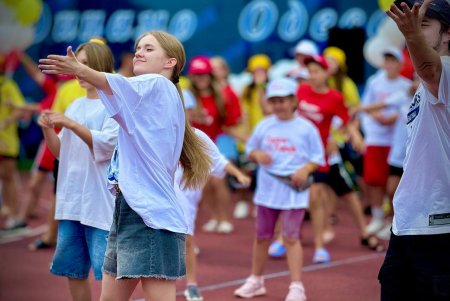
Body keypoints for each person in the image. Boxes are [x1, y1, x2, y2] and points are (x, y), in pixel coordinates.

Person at [39, 30, 212, 301]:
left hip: (150, 217)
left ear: (171, 62)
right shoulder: (143, 98)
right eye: (138, 47)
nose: (139, 52)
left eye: (149, 48)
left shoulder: (158, 84)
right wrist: (84, 73)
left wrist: (81, 68)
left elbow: (112, 83)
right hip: (127, 210)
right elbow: (112, 90)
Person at [38, 40, 119, 301]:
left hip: (100, 206)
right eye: (77, 63)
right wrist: (48, 129)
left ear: (101, 66)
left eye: (84, 64)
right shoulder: (75, 105)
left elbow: (106, 147)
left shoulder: (114, 105)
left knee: (110, 276)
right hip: (72, 204)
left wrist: (70, 123)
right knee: (74, 272)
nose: (77, 70)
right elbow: (61, 152)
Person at [379, 0, 449, 300]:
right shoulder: (425, 83)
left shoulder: (444, 71)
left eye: (423, 25)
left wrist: (410, 36)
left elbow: (429, 67)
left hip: (437, 228)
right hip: (407, 223)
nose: (413, 30)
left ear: (447, 34)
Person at [234, 78, 324, 301]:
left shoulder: (306, 128)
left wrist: (305, 169)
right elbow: (250, 149)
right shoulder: (264, 125)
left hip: (294, 192)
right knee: (262, 237)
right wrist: (257, 155)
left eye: (282, 100)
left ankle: (296, 287)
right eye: (273, 101)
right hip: (267, 191)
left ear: (294, 100)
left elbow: (317, 158)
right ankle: (256, 280)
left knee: (291, 238)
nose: (278, 105)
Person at [359, 47, 411, 236]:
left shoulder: (406, 86)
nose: (389, 64)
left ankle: (392, 221)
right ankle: (377, 217)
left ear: (400, 64)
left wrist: (393, 118)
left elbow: (404, 110)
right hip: (376, 137)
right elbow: (368, 105)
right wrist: (376, 117)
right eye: (386, 60)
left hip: (396, 142)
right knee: (373, 180)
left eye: (393, 60)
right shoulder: (375, 82)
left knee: (393, 186)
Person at [188, 55, 242, 234]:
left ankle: (225, 218)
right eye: (197, 75)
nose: (200, 78)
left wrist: (245, 139)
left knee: (218, 180)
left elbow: (232, 122)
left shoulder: (223, 94)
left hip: (219, 141)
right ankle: (214, 217)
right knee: (205, 182)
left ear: (210, 76)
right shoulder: (188, 96)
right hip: (198, 144)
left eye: (203, 74)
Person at [0, 53, 26, 229]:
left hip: (6, 140)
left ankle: (14, 213)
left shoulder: (8, 85)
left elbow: (20, 109)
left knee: (8, 177)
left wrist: (6, 122)